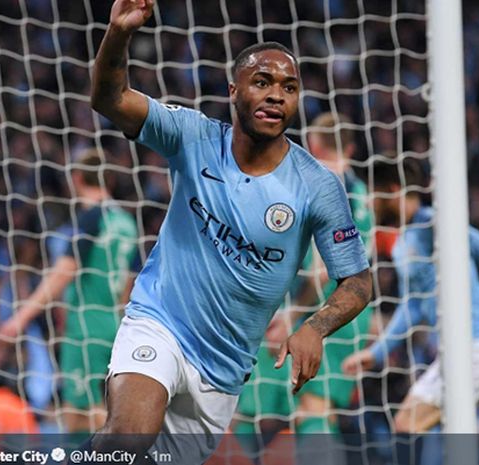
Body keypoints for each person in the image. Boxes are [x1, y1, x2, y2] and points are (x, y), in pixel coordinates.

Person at [84, 1, 372, 462]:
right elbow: (109, 99)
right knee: (127, 438)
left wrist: (315, 327)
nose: (277, 94)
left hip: (222, 371)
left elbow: (358, 281)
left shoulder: (318, 186)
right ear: (234, 89)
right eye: (263, 82)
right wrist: (118, 31)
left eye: (289, 87)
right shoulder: (191, 136)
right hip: (160, 323)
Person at [342, 158, 479, 434]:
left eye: (374, 194)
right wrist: (377, 353)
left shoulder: (433, 226)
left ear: (394, 190)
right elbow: (413, 306)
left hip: (474, 348)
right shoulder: (403, 245)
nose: (368, 203)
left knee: (406, 423)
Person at [236, 112, 375, 443]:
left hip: (317, 309)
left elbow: (321, 270)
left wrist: (292, 316)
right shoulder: (361, 193)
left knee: (270, 414)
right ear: (351, 148)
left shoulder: (319, 185)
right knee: (303, 411)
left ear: (312, 144)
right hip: (353, 312)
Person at [0, 149, 138, 433]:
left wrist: (20, 318)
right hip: (115, 327)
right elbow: (130, 282)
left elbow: (64, 272)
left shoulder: (90, 219)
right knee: (97, 406)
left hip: (85, 327)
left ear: (76, 178)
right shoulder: (126, 222)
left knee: (81, 411)